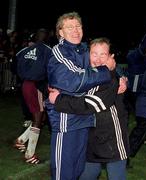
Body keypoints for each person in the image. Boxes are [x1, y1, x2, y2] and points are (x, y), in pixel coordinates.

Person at [48, 38, 129, 180]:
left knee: (116, 176)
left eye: (103, 54)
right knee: (86, 175)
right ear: (87, 55)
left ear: (111, 57)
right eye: (94, 54)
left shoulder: (112, 79)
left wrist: (59, 100)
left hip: (112, 140)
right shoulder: (87, 74)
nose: (98, 59)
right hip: (90, 136)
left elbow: (93, 103)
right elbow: (65, 79)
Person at [46, 12, 115, 180]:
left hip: (85, 117)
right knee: (64, 172)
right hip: (66, 120)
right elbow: (77, 80)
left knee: (78, 170)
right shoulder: (60, 52)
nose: (75, 30)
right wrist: (107, 71)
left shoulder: (84, 49)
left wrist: (120, 77)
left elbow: (100, 60)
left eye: (78, 26)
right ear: (60, 32)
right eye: (70, 27)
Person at [14, 28, 51, 164]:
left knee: (41, 116)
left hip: (26, 84)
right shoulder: (48, 50)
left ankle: (21, 140)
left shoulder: (24, 50)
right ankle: (29, 154)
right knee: (38, 117)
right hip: (37, 85)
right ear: (47, 37)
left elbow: (15, 63)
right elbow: (51, 69)